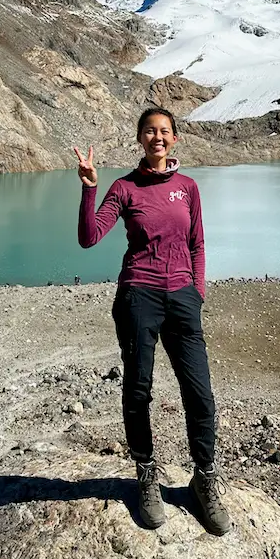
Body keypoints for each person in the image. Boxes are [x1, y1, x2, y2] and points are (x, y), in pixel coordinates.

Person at [74, 108, 230, 535]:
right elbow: (89, 237)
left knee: (199, 392)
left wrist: (196, 292)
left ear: (174, 140)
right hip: (138, 294)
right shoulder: (125, 188)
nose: (157, 137)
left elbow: (197, 243)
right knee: (138, 388)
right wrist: (90, 188)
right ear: (141, 139)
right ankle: (146, 475)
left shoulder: (188, 188)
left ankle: (205, 477)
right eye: (150, 131)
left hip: (182, 297)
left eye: (164, 131)